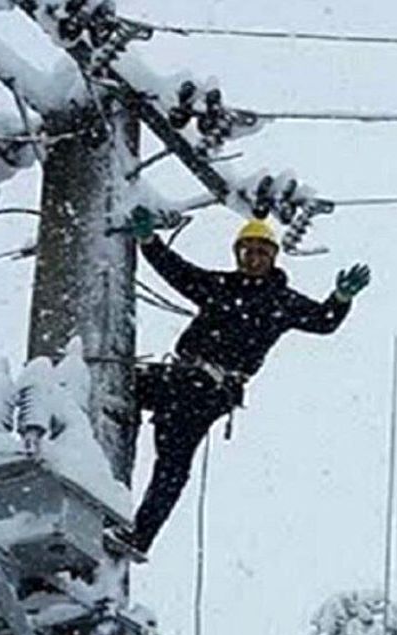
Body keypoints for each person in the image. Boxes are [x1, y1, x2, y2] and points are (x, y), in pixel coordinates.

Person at [124, 205, 370, 552]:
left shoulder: (279, 301)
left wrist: (341, 298)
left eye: (261, 252)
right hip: (178, 376)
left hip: (208, 391)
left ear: (273, 257)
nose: (253, 259)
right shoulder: (220, 286)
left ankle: (139, 535)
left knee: (172, 465)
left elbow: (322, 321)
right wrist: (149, 241)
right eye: (247, 252)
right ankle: (104, 480)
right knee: (116, 386)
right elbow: (176, 272)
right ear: (237, 255)